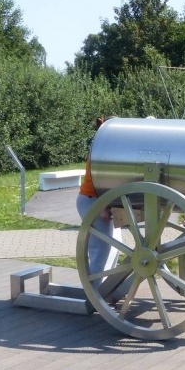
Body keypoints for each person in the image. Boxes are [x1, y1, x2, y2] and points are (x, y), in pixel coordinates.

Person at [76, 116, 122, 287]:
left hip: (94, 200)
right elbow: (98, 180)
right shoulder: (100, 151)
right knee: (100, 249)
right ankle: (94, 291)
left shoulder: (104, 148)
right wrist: (102, 206)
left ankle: (103, 288)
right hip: (92, 200)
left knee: (111, 246)